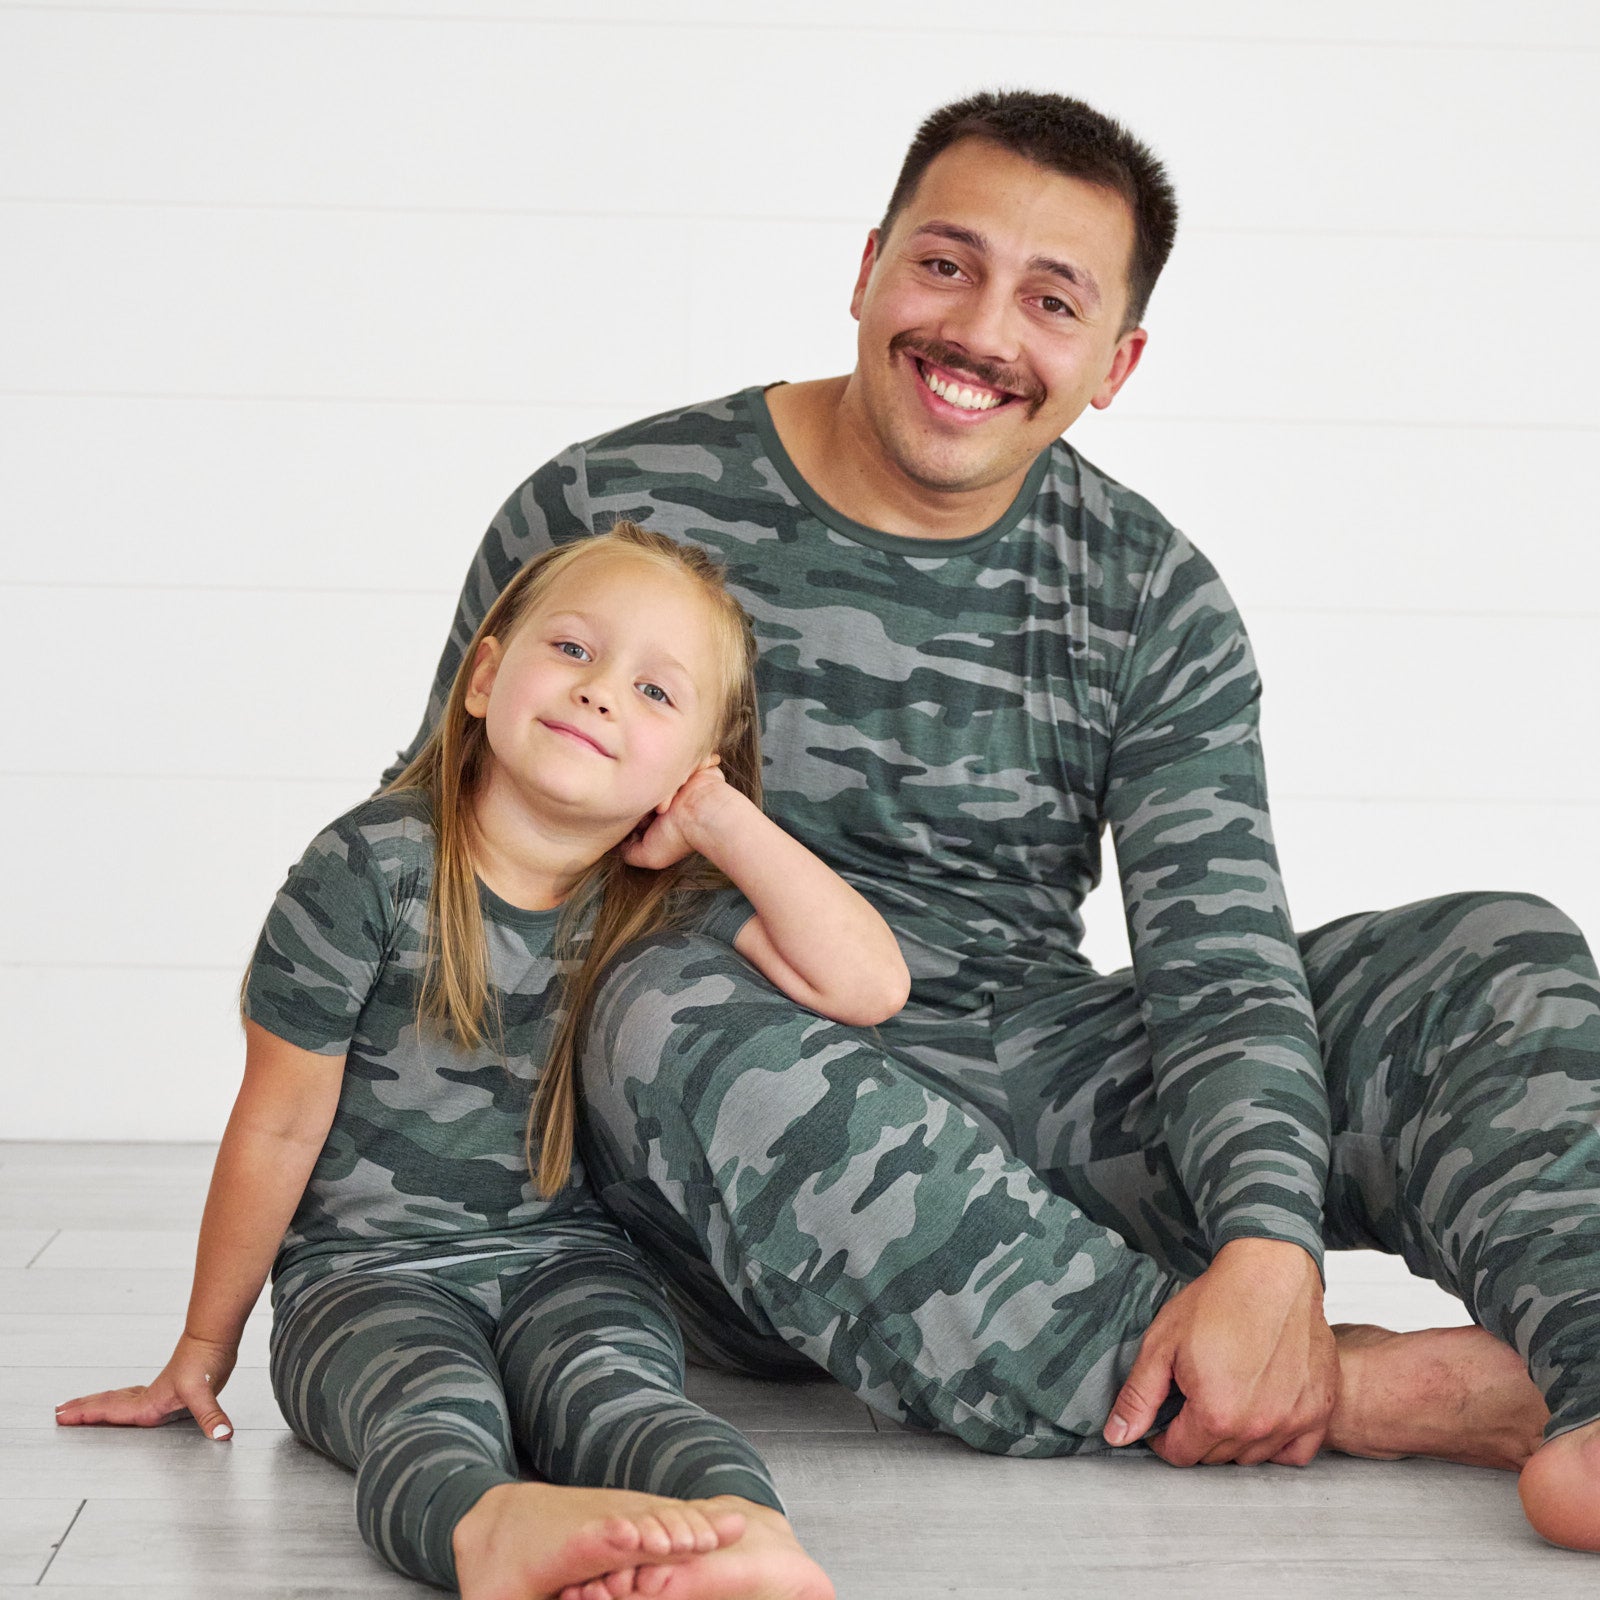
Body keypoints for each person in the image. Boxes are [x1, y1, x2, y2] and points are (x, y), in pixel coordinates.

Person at [383, 91, 1600, 1551]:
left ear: (1114, 361)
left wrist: (1268, 1244)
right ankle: (1332, 1394)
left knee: (1497, 950)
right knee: (652, 995)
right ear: (868, 267)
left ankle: (1583, 1382)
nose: (980, 333)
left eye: (1052, 299)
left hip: (1038, 1082)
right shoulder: (608, 511)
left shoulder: (1148, 593)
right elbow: (441, 886)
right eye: (945, 265)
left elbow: (1218, 961)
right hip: (726, 1137)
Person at [54, 523, 900, 1599]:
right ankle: (492, 1529)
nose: (600, 694)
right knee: (428, 1403)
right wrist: (201, 1349)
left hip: (572, 1263)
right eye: (576, 651)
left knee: (624, 1398)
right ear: (485, 677)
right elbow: (276, 1119)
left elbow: (867, 985)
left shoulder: (664, 901)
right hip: (362, 1280)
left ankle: (744, 1537)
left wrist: (721, 819)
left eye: (655, 691)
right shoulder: (369, 867)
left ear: (689, 765)